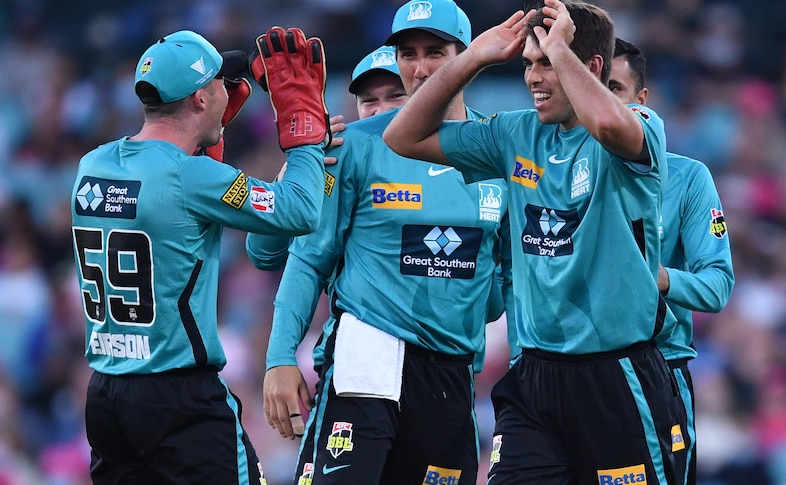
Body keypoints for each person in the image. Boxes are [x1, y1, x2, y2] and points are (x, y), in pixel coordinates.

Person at [384, 0, 683, 483]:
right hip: (536, 379)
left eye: (545, 62)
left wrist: (563, 50)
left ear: (591, 67)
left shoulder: (639, 125)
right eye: (528, 64)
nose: (532, 78)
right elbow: (403, 136)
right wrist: (473, 59)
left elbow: (607, 125)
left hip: (617, 374)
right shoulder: (515, 134)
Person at [256, 1, 511, 483]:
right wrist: (279, 359)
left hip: (452, 373)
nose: (419, 68)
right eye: (407, 54)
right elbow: (308, 259)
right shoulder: (353, 145)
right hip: (366, 357)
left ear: (466, 56)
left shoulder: (502, 146)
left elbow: (503, 286)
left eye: (435, 52)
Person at [70, 28, 329, 484]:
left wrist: (206, 139)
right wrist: (303, 125)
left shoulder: (93, 164)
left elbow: (164, 199)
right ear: (199, 100)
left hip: (108, 395)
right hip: (179, 398)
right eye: (219, 84)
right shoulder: (192, 176)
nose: (228, 91)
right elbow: (299, 210)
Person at [610, 37, 735, 484]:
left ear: (641, 101)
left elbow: (718, 284)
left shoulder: (687, 177)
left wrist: (657, 277)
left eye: (614, 88)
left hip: (657, 367)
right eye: (589, 87)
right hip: (559, 375)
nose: (600, 103)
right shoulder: (545, 171)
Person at [245, 44, 407, 271]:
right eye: (369, 101)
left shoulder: (452, 158)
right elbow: (263, 254)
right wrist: (298, 164)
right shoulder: (333, 163)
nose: (381, 110)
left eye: (397, 96)